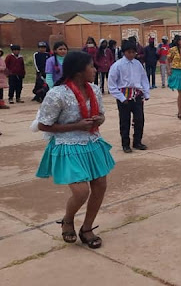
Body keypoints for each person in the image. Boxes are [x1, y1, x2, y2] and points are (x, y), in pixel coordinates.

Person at [35, 51, 114, 249]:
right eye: (92, 67)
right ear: (79, 71)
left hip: (92, 143)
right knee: (80, 192)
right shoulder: (57, 94)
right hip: (67, 146)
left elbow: (102, 115)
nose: (95, 70)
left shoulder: (94, 90)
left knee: (100, 185)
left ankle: (87, 228)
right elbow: (43, 125)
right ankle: (68, 220)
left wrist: (99, 120)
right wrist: (76, 126)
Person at [108, 40, 150, 153]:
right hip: (123, 96)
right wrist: (121, 98)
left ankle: (137, 141)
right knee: (125, 121)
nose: (131, 54)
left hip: (137, 95)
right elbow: (112, 85)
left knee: (139, 119)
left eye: (133, 52)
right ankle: (125, 144)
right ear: (124, 52)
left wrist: (146, 93)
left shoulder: (138, 64)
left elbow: (143, 79)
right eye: (129, 52)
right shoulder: (117, 66)